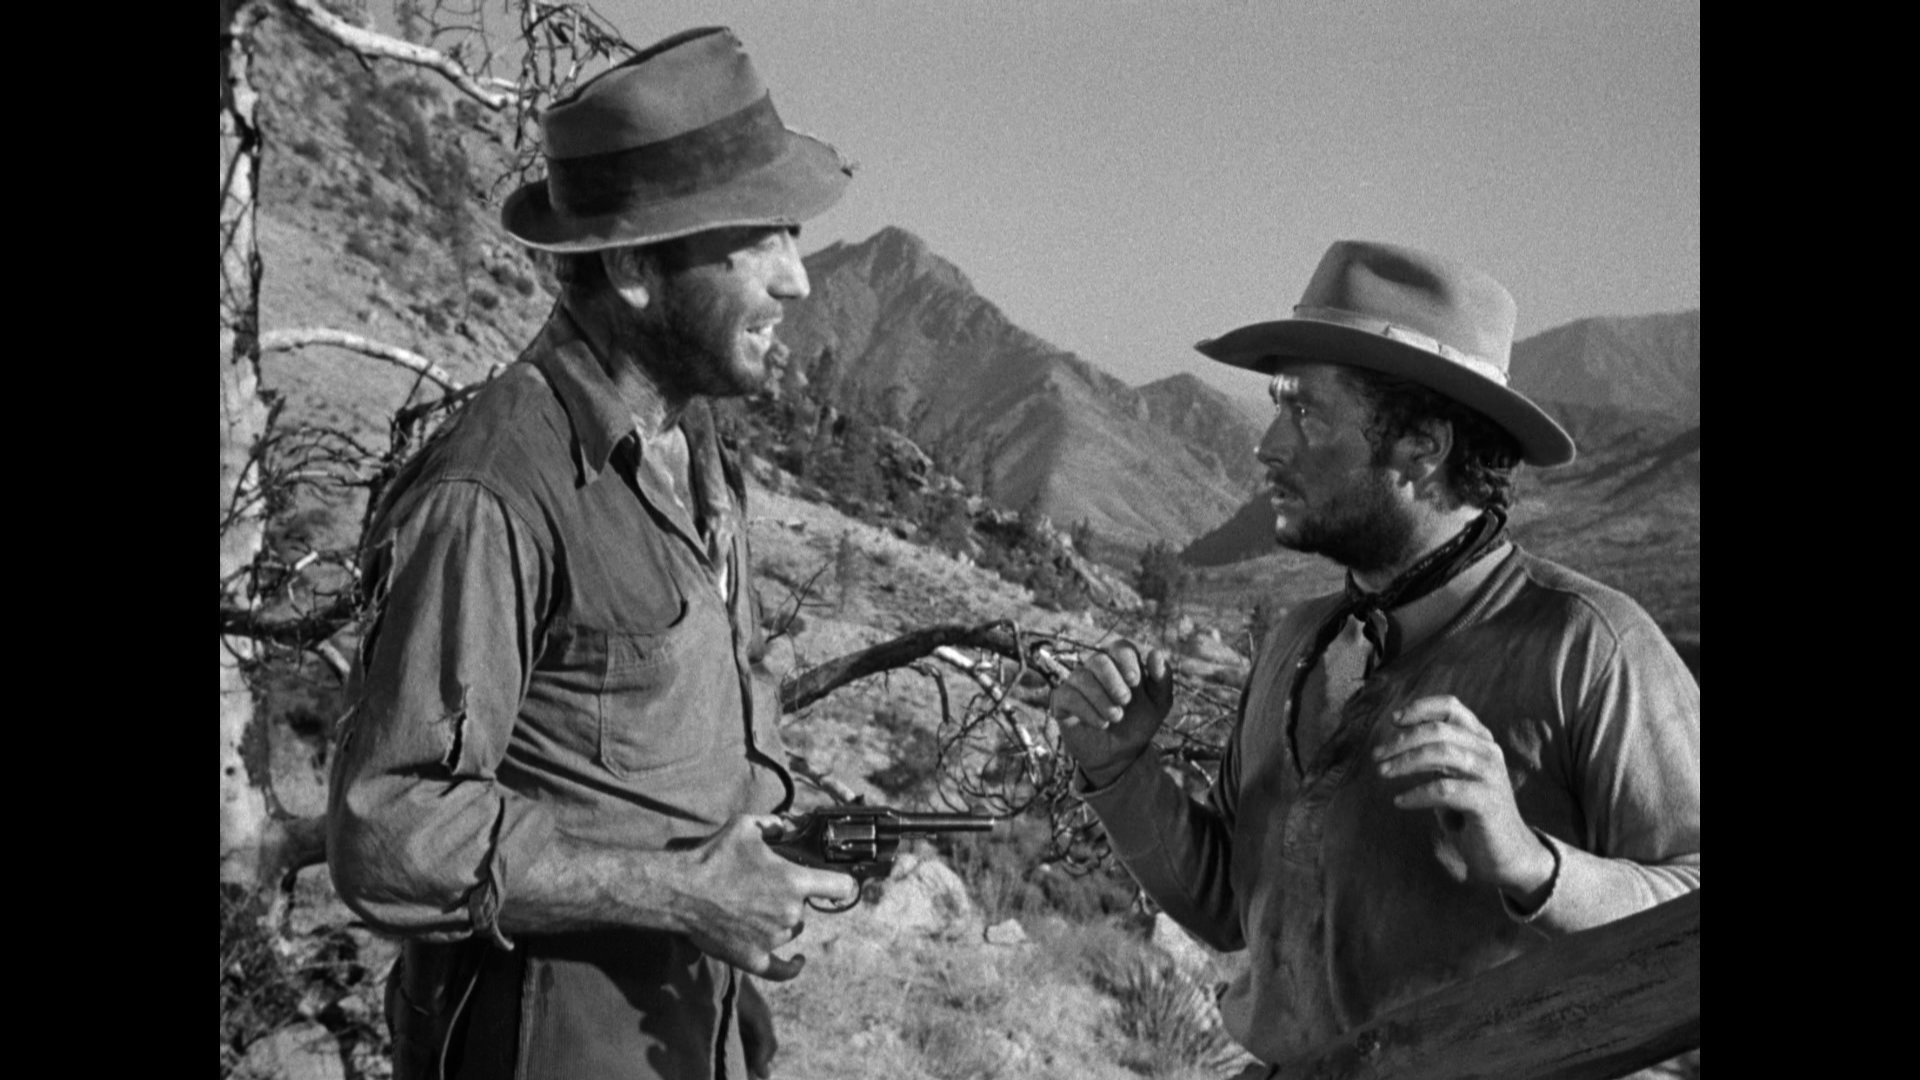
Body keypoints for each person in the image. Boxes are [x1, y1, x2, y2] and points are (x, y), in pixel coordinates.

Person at [325, 27, 859, 1080]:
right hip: (546, 1038)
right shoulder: (495, 490)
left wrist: (771, 845)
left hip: (691, 1023)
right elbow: (388, 831)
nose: (797, 279)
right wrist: (684, 894)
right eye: (754, 240)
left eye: (790, 233)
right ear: (631, 268)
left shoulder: (692, 449)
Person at [1049, 241, 1700, 1077]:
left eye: (1307, 413)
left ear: (1423, 445)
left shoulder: (1590, 647)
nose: (1268, 445)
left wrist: (1533, 865)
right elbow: (1235, 914)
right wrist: (1119, 770)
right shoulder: (1295, 642)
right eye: (1278, 405)